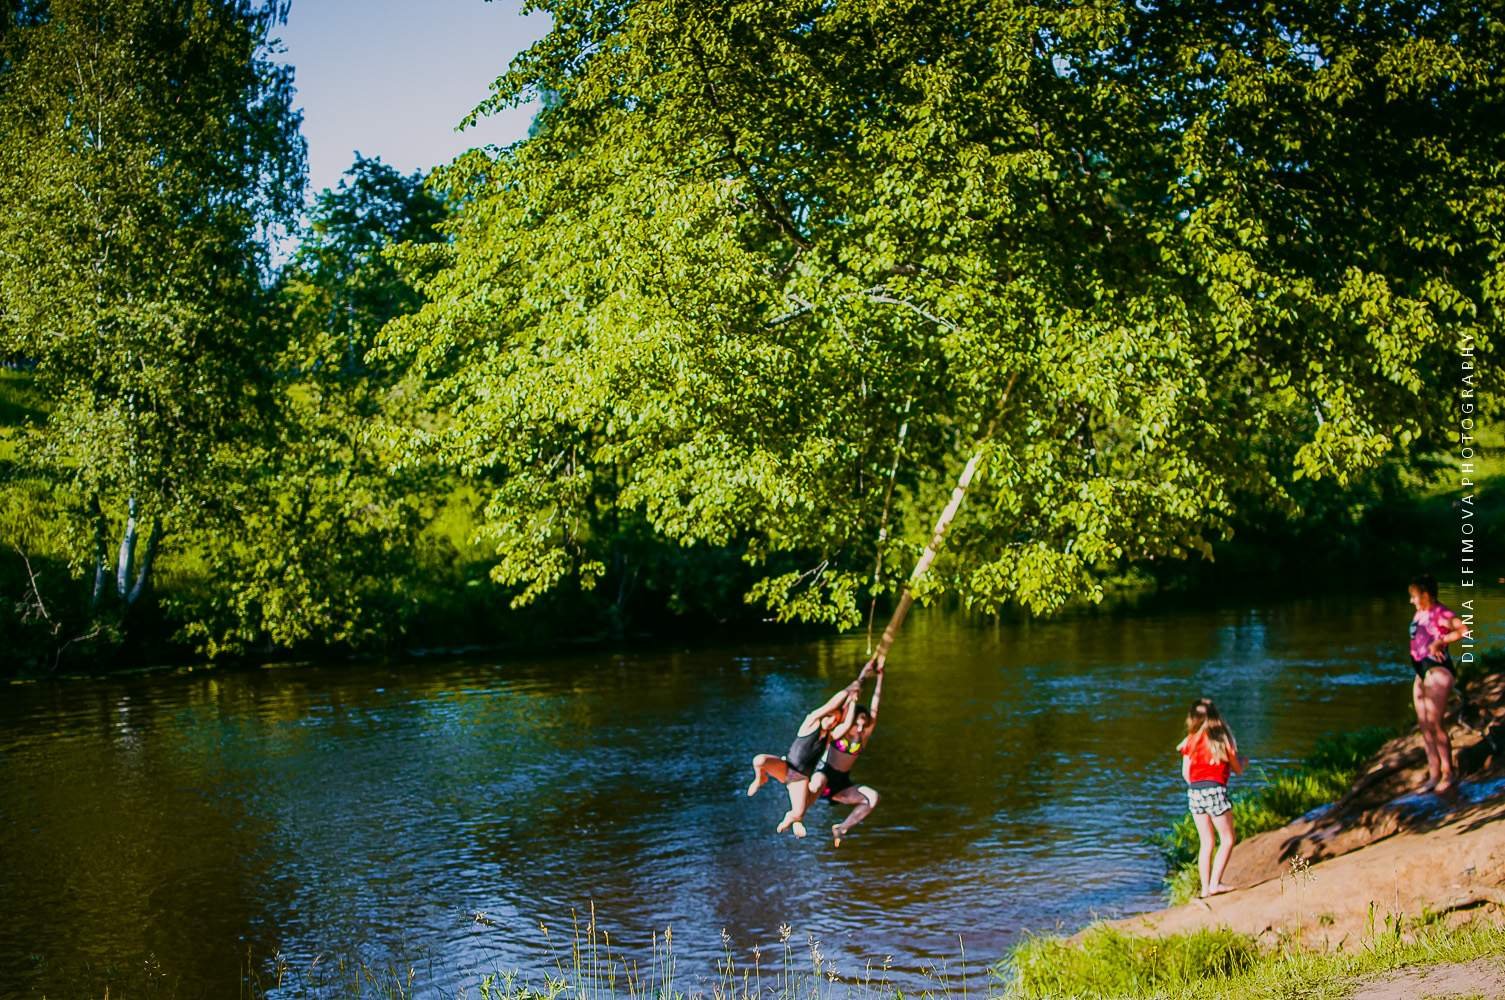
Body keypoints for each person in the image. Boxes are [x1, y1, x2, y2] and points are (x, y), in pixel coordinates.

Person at [747, 673, 864, 838]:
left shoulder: (830, 736)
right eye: (830, 717)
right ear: (825, 716)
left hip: (800, 778)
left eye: (835, 720)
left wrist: (853, 701)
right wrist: (849, 690)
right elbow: (830, 705)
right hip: (786, 767)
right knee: (759, 760)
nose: (831, 721)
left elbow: (846, 725)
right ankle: (761, 778)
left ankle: (791, 818)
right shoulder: (811, 723)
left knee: (799, 813)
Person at [806, 656, 885, 847]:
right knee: (816, 786)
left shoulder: (863, 737)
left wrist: (881, 677)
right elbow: (852, 696)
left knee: (873, 798)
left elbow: (875, 705)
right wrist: (864, 673)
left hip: (842, 782)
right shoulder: (840, 732)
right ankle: (796, 814)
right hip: (824, 773)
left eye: (862, 724)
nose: (859, 728)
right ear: (849, 722)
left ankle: (842, 828)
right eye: (856, 724)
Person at [1177, 698, 1247, 899]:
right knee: (1227, 839)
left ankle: (1206, 888)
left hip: (1194, 792)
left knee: (1206, 842)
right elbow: (1237, 768)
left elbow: (1186, 774)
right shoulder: (1222, 737)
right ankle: (1215, 884)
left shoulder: (1189, 740)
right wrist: (1243, 761)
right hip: (1214, 790)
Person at [1408, 572, 1470, 794]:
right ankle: (1433, 774)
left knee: (1435, 724)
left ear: (1425, 594)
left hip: (1438, 670)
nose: (1411, 600)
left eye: (1414, 596)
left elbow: (1464, 630)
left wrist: (1441, 641)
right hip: (1420, 671)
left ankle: (1448, 773)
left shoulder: (1440, 613)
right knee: (1424, 725)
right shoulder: (1420, 613)